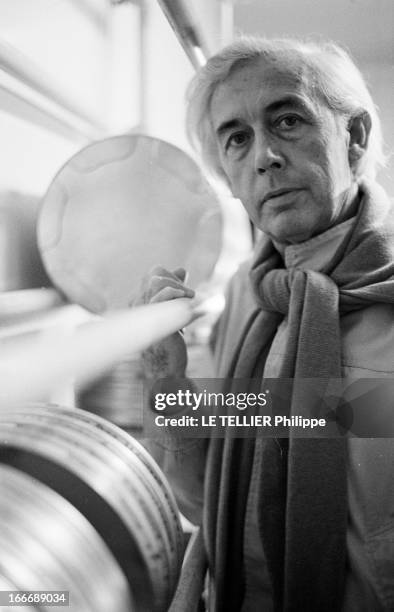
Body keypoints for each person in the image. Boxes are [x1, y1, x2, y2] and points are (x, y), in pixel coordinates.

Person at [138, 37, 394, 612]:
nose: (265, 157)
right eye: (237, 138)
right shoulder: (249, 303)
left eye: (287, 120)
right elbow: (213, 505)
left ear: (353, 137)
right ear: (229, 178)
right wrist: (167, 387)